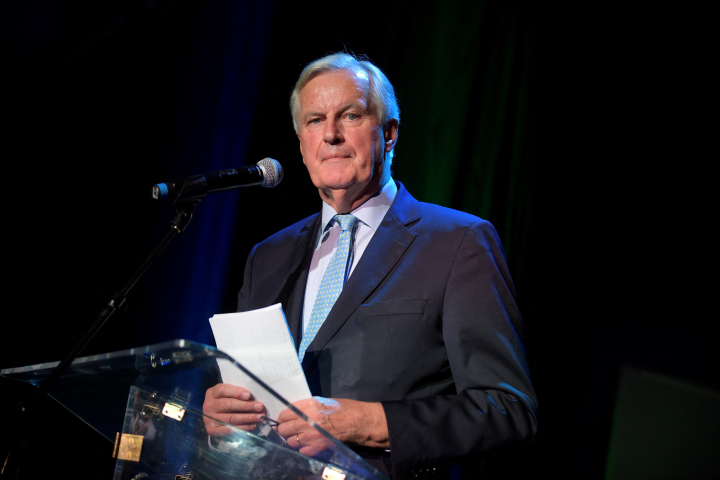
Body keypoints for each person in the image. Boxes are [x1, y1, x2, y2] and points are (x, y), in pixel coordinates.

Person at [203, 52, 537, 479]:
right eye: (314, 120)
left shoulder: (458, 243)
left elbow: (507, 409)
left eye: (351, 115)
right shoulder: (268, 256)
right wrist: (220, 423)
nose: (331, 135)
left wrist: (370, 423)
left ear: (390, 133)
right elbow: (246, 404)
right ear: (302, 145)